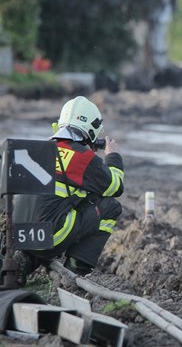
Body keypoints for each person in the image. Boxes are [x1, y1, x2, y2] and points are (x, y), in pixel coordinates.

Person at [11, 96, 124, 285]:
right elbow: (115, 187)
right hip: (51, 236)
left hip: (19, 233)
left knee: (54, 208)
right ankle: (76, 270)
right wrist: (113, 156)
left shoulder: (39, 150)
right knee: (110, 207)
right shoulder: (82, 158)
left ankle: (27, 260)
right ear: (91, 128)